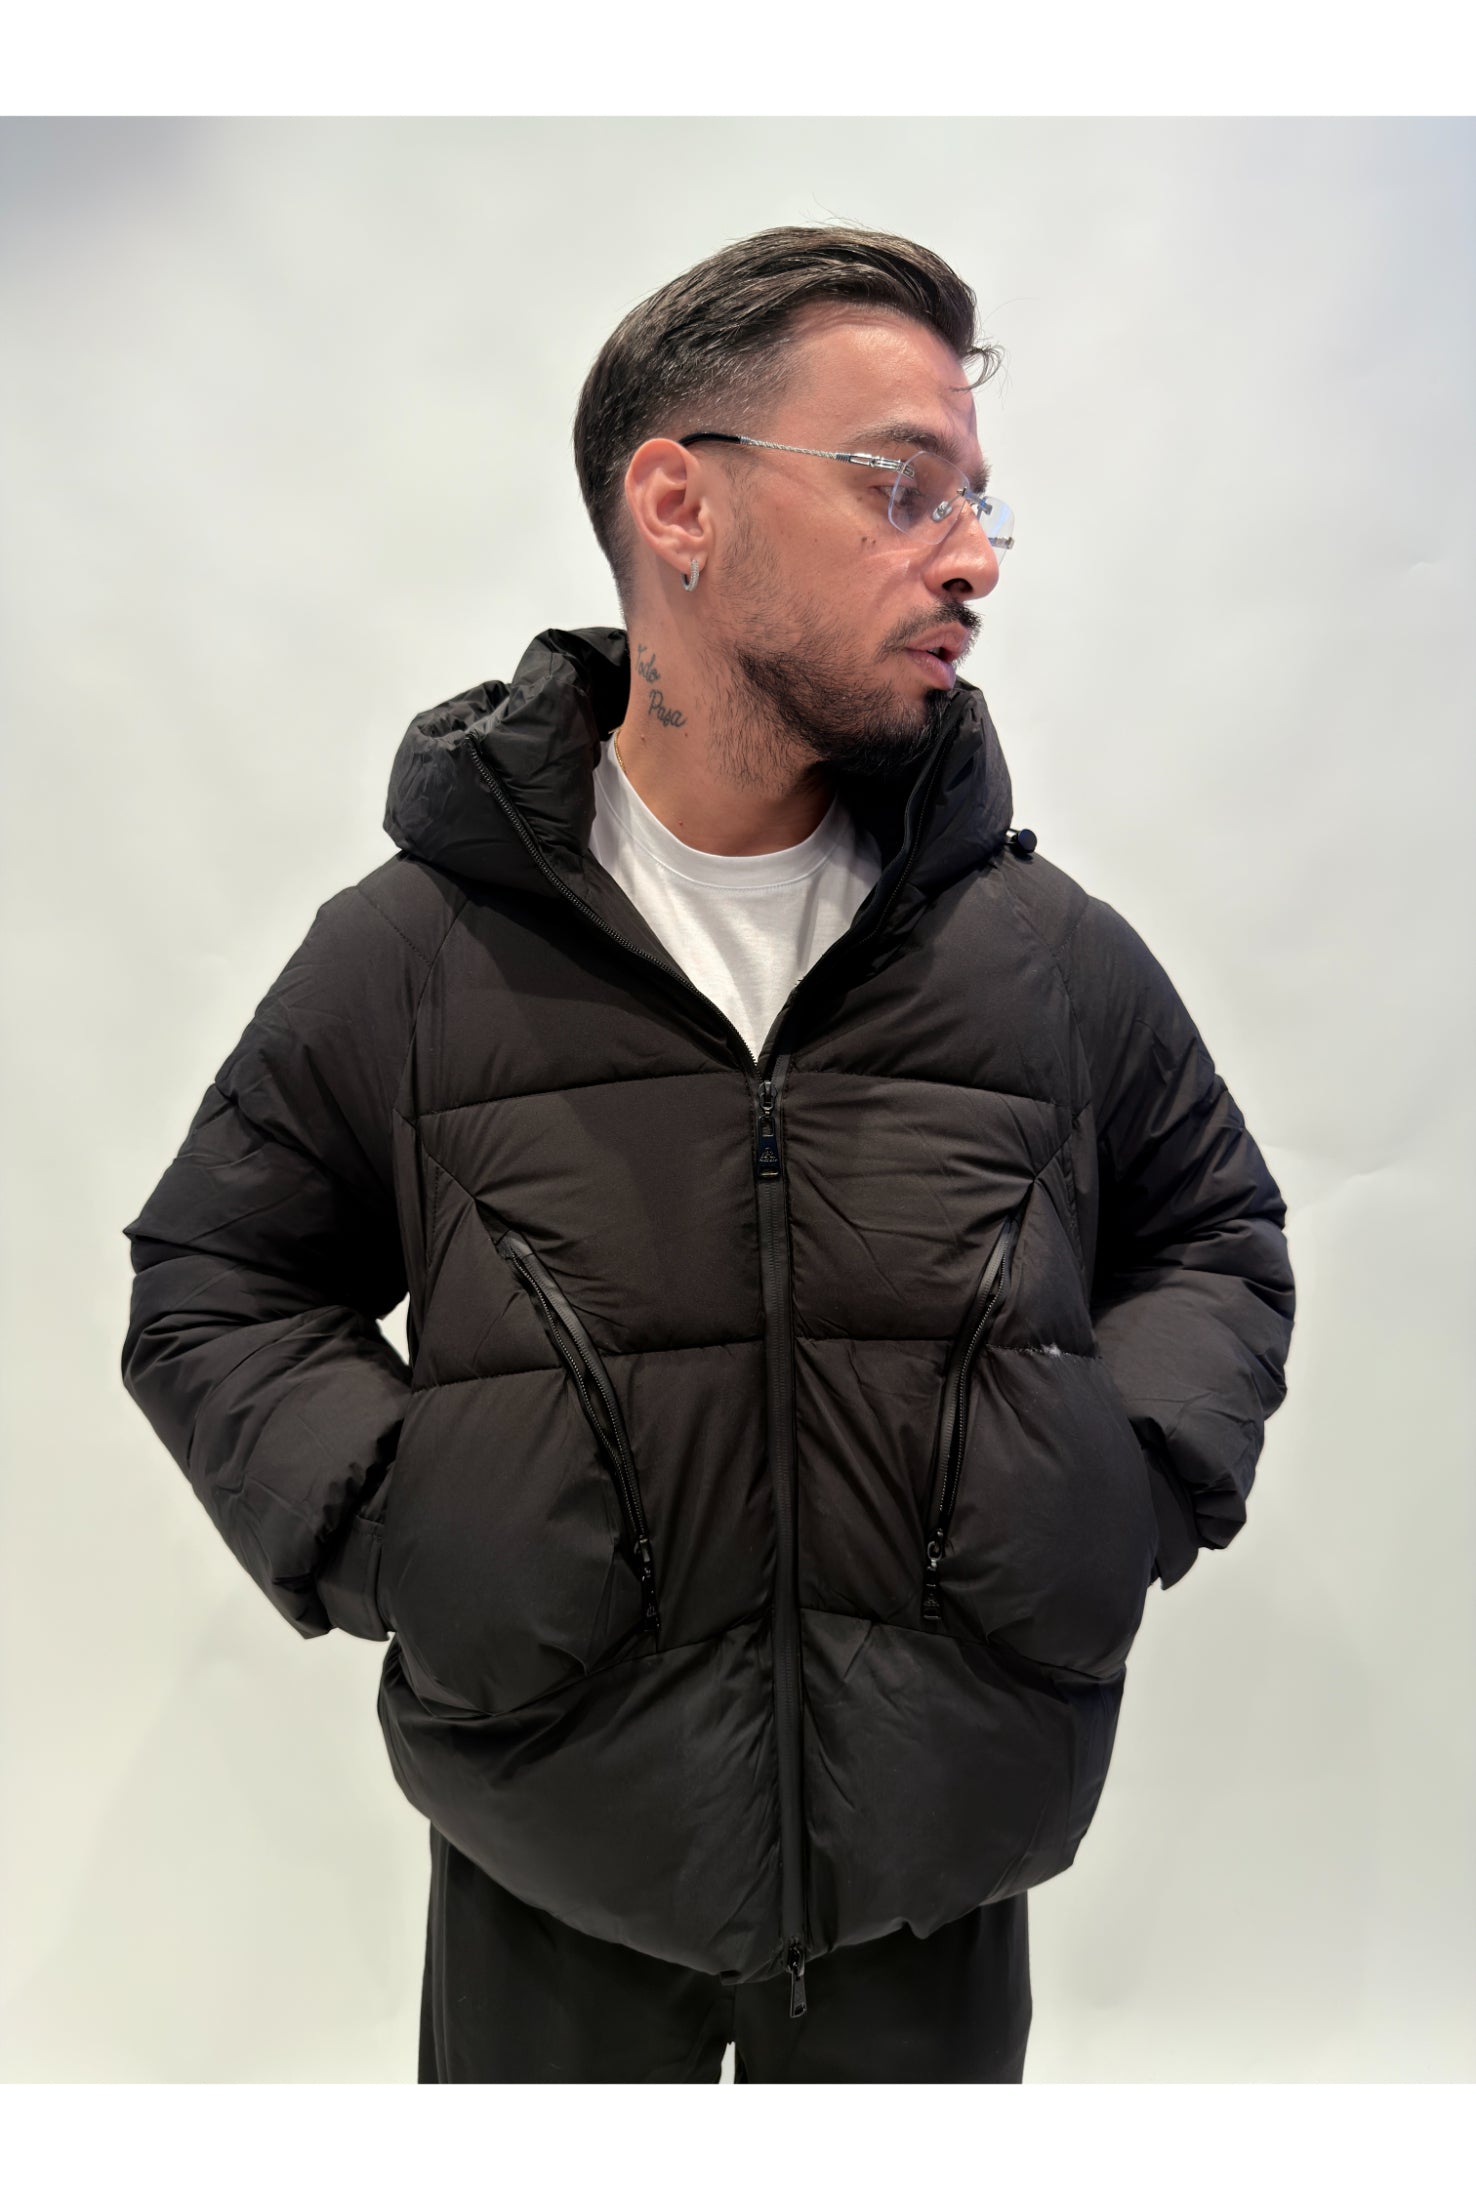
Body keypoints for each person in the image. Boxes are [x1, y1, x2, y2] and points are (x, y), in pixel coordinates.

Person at [120, 223, 1297, 2084]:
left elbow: (1214, 1237)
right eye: (901, 487)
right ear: (677, 503)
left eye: (977, 504)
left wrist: (1113, 1483)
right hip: (554, 1871)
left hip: (935, 1874)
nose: (973, 559)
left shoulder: (1040, 955)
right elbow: (217, 1277)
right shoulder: (422, 955)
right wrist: (413, 1536)